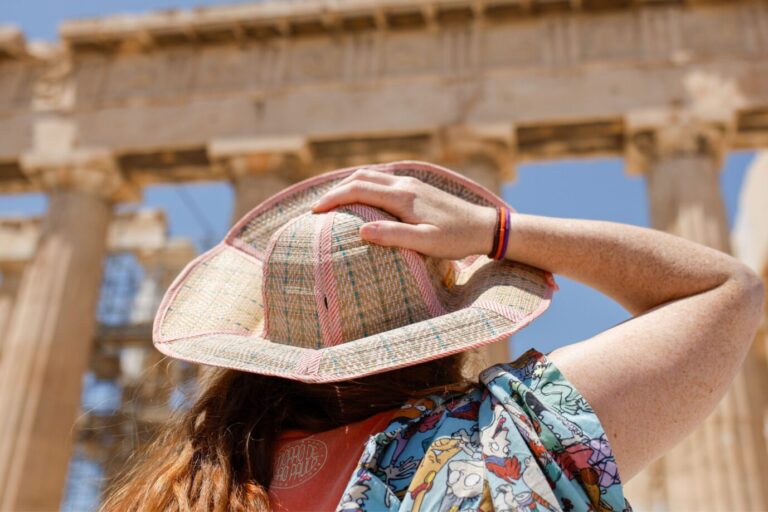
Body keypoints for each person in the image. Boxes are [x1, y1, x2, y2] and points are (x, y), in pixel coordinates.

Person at [100, 161, 764, 512]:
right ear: (446, 327)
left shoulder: (177, 494)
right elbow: (725, 291)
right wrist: (495, 230)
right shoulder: (504, 442)